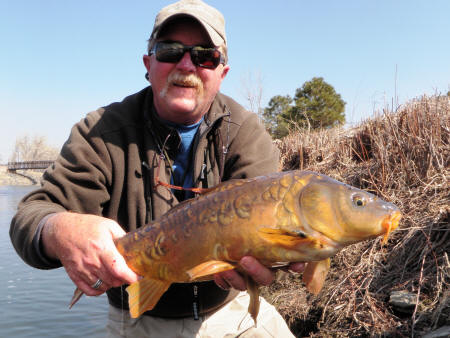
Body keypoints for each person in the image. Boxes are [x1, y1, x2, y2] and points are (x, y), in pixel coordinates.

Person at [10, 0, 303, 336]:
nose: (186, 64)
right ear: (148, 64)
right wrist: (57, 228)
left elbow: (271, 236)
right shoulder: (100, 132)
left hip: (230, 308)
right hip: (138, 319)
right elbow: (30, 215)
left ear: (222, 73)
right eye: (170, 50)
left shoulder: (245, 132)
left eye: (205, 55)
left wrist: (279, 258)